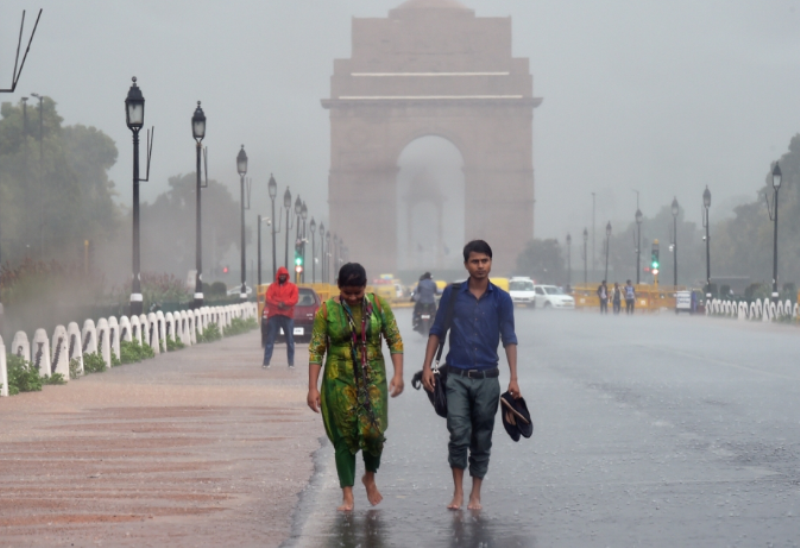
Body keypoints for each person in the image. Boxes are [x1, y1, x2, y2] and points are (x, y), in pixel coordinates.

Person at [421, 240, 519, 511]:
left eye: (485, 261)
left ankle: (476, 494)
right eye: (475, 261)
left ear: (490, 262)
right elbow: (437, 330)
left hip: (488, 378)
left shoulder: (502, 299)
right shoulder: (453, 296)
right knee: (458, 433)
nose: (480, 266)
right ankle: (458, 493)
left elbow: (509, 337)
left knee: (482, 437)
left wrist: (514, 378)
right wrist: (427, 366)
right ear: (466, 264)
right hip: (457, 377)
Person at [307, 263, 404, 512]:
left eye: (357, 293)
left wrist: (398, 374)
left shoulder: (379, 306)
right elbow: (317, 349)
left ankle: (369, 477)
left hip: (373, 377)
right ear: (339, 288)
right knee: (344, 437)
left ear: (365, 287)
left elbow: (394, 338)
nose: (352, 298)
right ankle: (347, 495)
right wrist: (312, 388)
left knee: (373, 432)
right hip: (339, 380)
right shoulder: (326, 311)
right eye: (347, 293)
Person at [262, 266, 299, 368]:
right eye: (281, 275)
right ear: (278, 276)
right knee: (270, 339)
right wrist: (280, 304)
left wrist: (282, 302)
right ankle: (266, 362)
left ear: (287, 276)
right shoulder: (272, 287)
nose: (282, 277)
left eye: (284, 275)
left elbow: (294, 299)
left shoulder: (292, 287)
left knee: (290, 340)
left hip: (287, 316)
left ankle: (291, 363)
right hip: (274, 315)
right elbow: (268, 298)